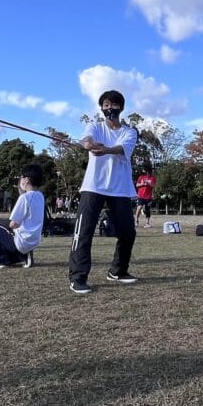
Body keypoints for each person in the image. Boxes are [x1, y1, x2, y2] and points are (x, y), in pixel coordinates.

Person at [64, 90, 138, 295]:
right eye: (106, 105)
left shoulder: (130, 132)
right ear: (102, 108)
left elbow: (122, 149)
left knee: (127, 232)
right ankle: (78, 277)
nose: (109, 109)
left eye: (113, 105)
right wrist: (87, 143)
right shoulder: (95, 126)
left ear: (121, 108)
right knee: (83, 232)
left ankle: (118, 271)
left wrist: (105, 150)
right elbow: (87, 139)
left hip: (120, 189)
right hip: (93, 186)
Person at [0, 164, 45, 270]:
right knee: (1, 225)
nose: (20, 180)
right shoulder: (40, 196)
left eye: (21, 177)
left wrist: (9, 227)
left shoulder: (24, 198)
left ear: (27, 180)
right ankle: (21, 256)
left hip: (22, 241)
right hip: (33, 241)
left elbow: (13, 224)